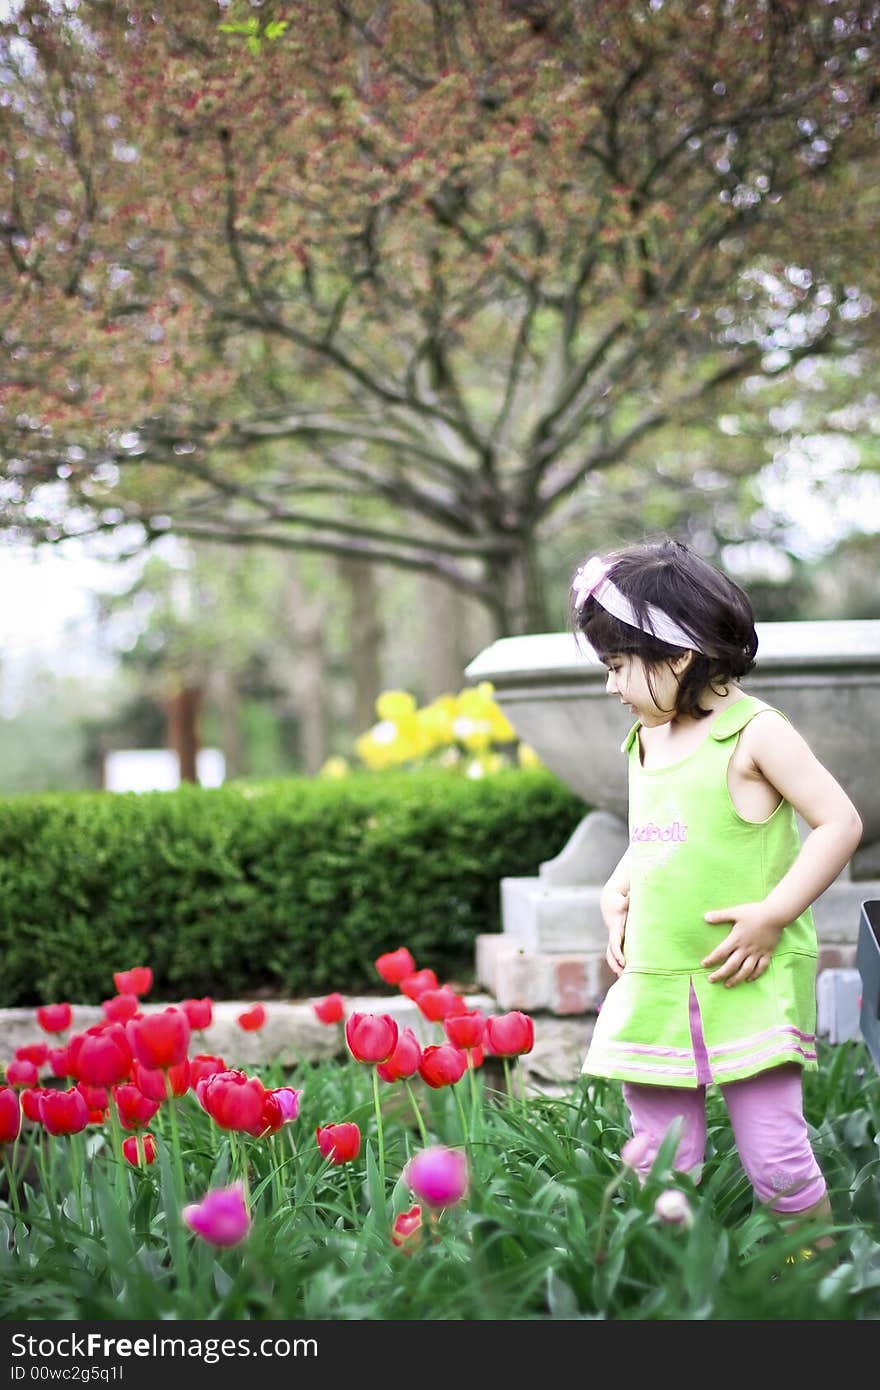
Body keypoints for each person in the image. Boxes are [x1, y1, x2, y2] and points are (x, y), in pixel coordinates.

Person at [572, 538, 863, 1239]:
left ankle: (810, 1276)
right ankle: (671, 1279)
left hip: (743, 974)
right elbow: (659, 832)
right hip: (659, 976)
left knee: (776, 1155)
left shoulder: (754, 733)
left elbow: (838, 822)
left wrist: (774, 913)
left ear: (678, 655)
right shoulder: (646, 739)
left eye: (618, 665)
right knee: (659, 1159)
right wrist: (618, 888)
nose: (610, 685)